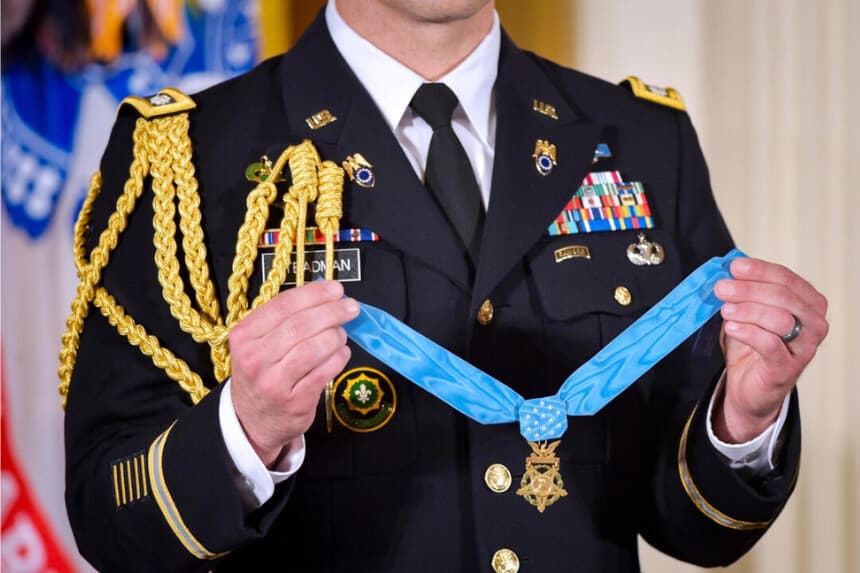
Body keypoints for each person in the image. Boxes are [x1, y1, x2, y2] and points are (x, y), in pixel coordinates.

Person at [62, 1, 829, 571]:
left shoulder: (640, 136)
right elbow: (109, 510)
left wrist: (742, 421)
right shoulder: (190, 156)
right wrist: (244, 433)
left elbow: (697, 526)